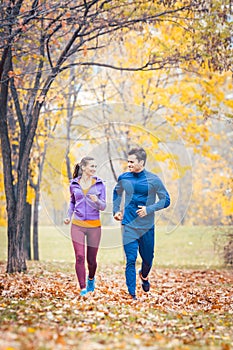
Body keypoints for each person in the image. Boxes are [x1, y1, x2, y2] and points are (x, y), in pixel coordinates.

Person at [113, 147, 170, 300]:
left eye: (132, 162)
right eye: (128, 161)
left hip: (146, 227)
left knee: (148, 259)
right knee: (130, 260)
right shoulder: (124, 177)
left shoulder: (154, 180)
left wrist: (149, 209)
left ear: (141, 162)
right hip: (129, 226)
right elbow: (116, 193)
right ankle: (132, 294)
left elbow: (166, 200)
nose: (129, 164)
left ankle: (143, 276)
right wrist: (116, 210)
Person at [64, 157, 106, 296]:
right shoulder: (74, 184)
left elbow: (103, 206)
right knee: (80, 257)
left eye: (95, 166)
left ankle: (91, 279)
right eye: (91, 166)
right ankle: (83, 289)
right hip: (78, 225)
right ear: (83, 168)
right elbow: (72, 202)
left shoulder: (99, 184)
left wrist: (97, 201)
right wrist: (68, 216)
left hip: (94, 226)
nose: (94, 169)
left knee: (91, 260)